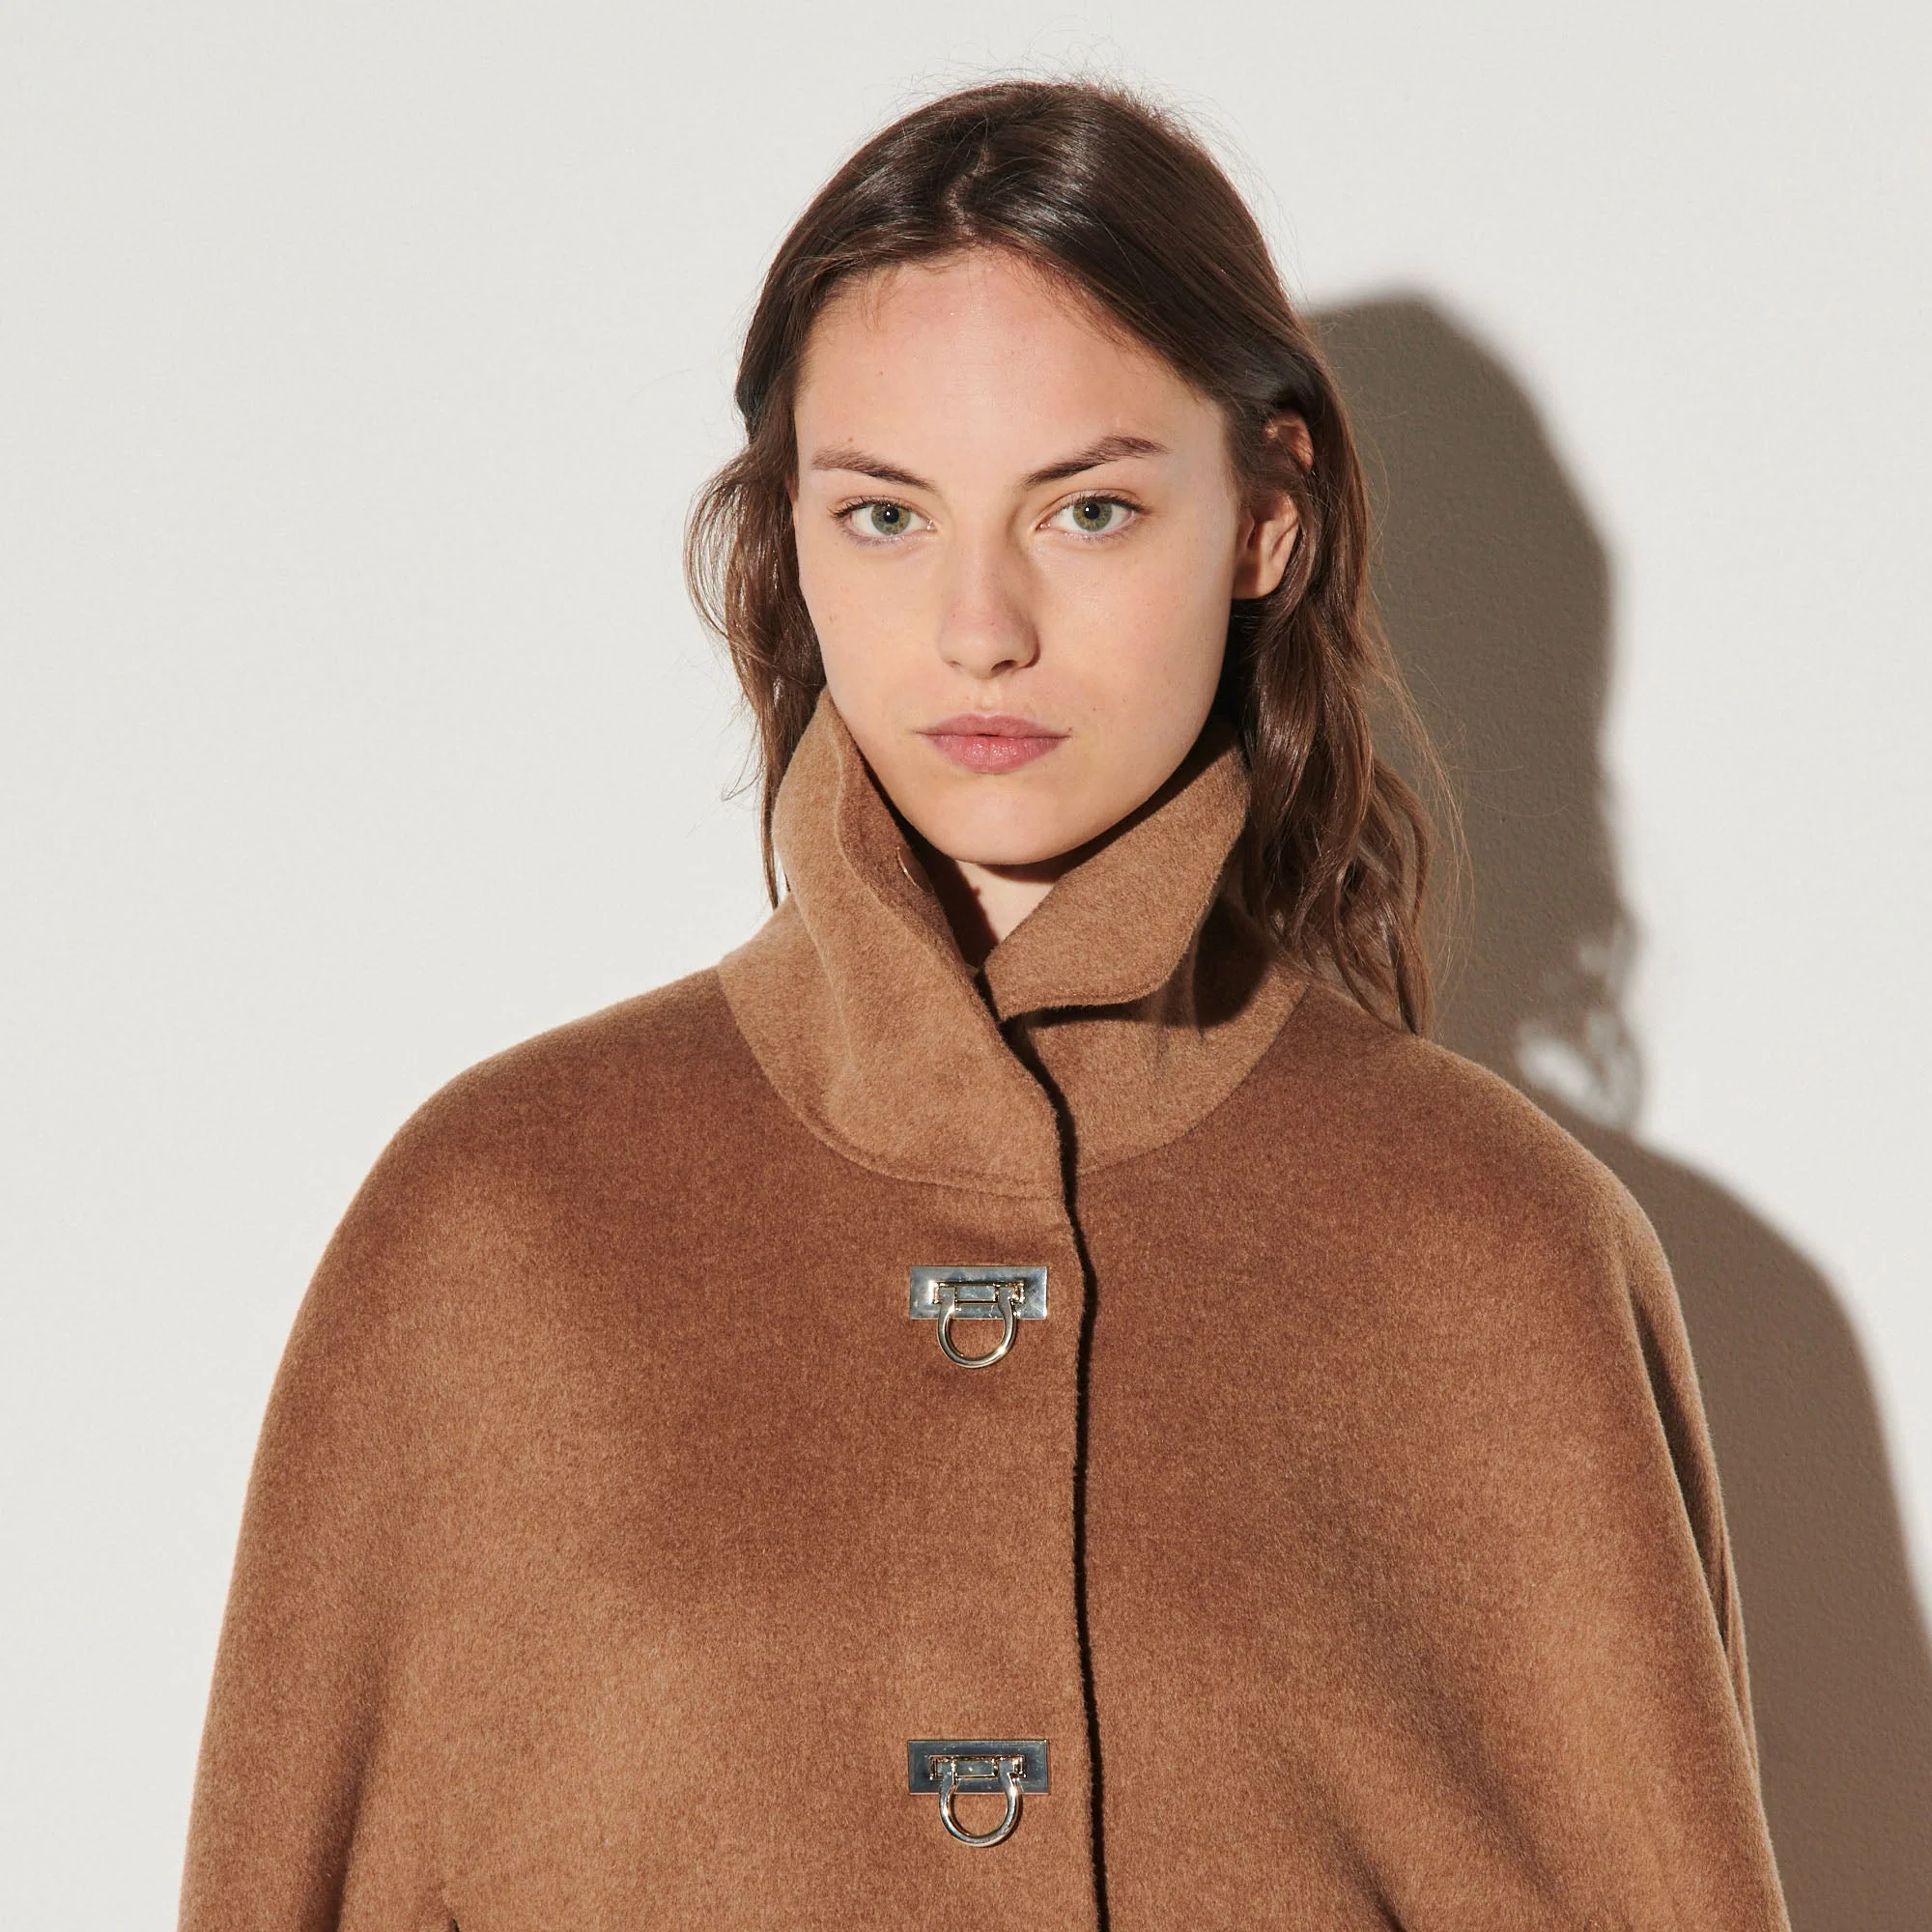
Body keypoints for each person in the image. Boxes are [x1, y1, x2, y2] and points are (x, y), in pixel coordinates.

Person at [179, 80, 1791, 1929]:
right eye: (885, 514)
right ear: (791, 531)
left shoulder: (1499, 1257)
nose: (979, 628)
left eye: (1088, 509)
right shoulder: (494, 1226)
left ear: (1266, 517)